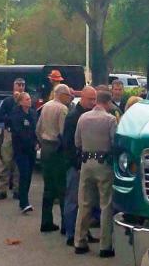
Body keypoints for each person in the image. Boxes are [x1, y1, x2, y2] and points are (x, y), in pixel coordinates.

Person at [74, 89, 118, 257]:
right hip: (104, 163)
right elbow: (115, 142)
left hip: (86, 162)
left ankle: (80, 241)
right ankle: (105, 245)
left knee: (84, 202)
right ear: (107, 103)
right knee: (105, 204)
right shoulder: (110, 119)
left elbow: (77, 141)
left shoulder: (83, 117)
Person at [62, 86, 97, 246]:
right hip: (76, 165)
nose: (93, 102)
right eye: (90, 99)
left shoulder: (87, 116)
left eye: (95, 99)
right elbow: (68, 144)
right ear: (82, 98)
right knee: (73, 200)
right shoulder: (73, 117)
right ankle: (70, 233)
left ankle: (83, 231)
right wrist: (76, 164)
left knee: (86, 201)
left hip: (86, 164)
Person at [36, 83, 72, 231]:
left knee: (48, 187)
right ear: (62, 94)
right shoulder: (62, 109)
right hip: (57, 149)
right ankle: (65, 224)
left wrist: (42, 141)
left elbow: (38, 128)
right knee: (62, 188)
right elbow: (64, 132)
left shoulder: (46, 106)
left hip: (46, 147)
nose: (70, 98)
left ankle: (46, 221)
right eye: (68, 95)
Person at [0, 78, 25, 200]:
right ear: (13, 86)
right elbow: (1, 117)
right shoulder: (7, 101)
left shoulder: (26, 101)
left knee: (18, 164)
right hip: (9, 133)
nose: (20, 87)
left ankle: (17, 189)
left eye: (22, 85)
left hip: (21, 135)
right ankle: (2, 189)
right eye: (18, 85)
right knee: (6, 162)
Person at [9, 92, 38, 214]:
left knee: (29, 175)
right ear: (20, 102)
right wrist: (30, 142)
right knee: (24, 174)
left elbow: (36, 129)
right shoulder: (16, 114)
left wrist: (37, 142)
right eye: (26, 99)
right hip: (21, 150)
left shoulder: (33, 113)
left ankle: (24, 198)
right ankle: (24, 202)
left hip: (32, 149)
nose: (29, 101)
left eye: (29, 99)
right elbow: (18, 132)